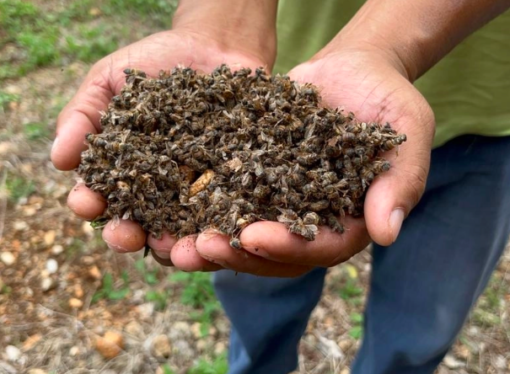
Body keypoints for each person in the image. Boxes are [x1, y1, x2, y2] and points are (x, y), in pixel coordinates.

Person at [51, 0, 510, 373]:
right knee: (254, 298)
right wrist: (218, 19)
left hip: (484, 120)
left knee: (420, 326)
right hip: (290, 74)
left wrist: (386, 46)